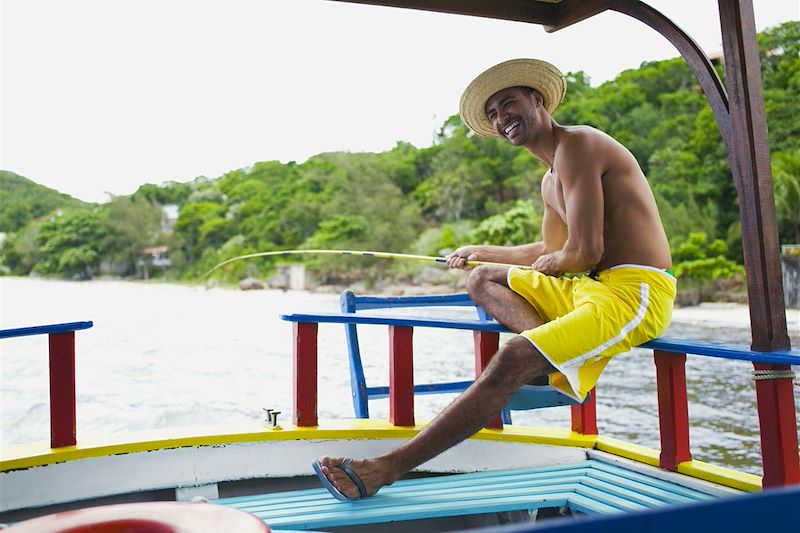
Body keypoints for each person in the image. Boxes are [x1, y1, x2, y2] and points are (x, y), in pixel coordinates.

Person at [313, 58, 676, 500]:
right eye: (493, 115)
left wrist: (554, 265)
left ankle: (387, 468)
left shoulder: (577, 145)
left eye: (509, 104)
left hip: (634, 291)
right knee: (484, 279)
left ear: (537, 101)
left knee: (511, 358)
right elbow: (546, 251)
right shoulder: (549, 179)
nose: (502, 118)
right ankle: (551, 362)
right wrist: (482, 253)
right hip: (588, 288)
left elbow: (583, 252)